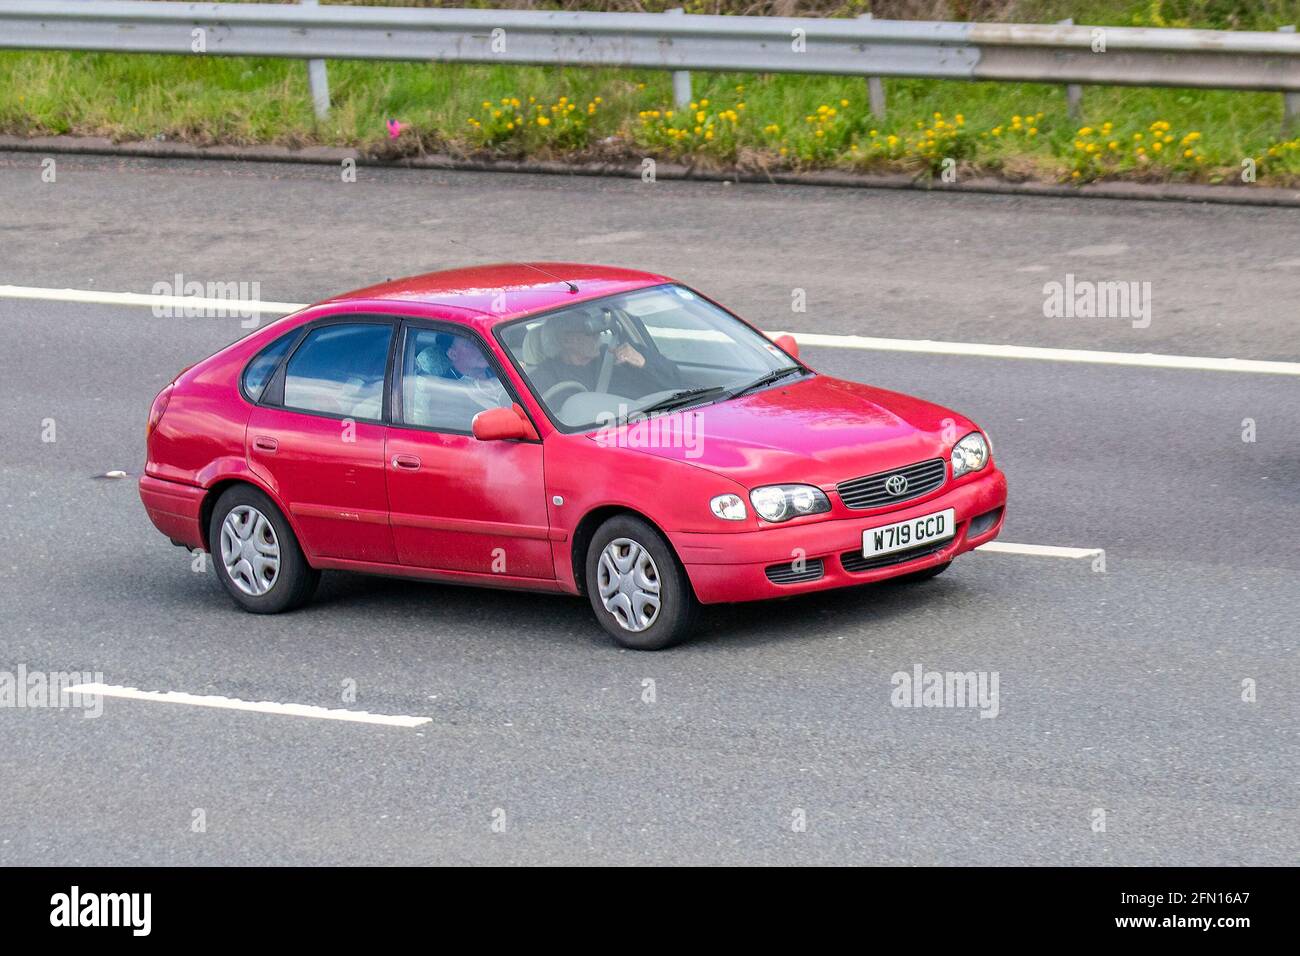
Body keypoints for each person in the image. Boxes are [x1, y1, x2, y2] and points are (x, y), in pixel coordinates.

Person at [531, 309, 669, 400]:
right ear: (567, 341)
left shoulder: (619, 357)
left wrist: (644, 364)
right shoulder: (543, 378)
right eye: (590, 332)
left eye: (599, 330)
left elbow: (673, 387)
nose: (599, 335)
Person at [411, 333, 509, 426]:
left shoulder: (504, 370)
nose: (480, 347)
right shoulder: (446, 393)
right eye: (470, 344)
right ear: (453, 354)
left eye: (480, 341)